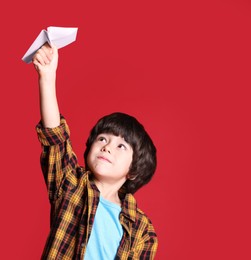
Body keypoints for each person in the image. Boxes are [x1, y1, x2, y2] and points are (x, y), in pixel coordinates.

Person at [33, 43, 158, 259]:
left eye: (121, 146)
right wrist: (47, 76)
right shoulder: (71, 184)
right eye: (102, 138)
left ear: (134, 170)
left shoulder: (143, 231)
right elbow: (55, 138)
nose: (107, 147)